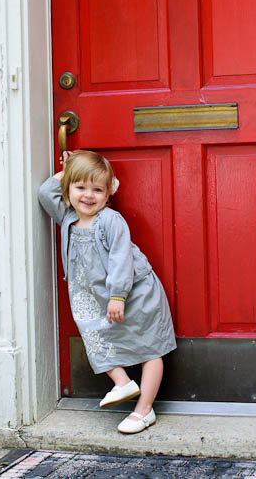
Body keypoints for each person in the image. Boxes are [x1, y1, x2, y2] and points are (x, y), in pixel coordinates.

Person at [38, 150, 177, 434]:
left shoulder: (110, 220)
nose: (88, 196)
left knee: (150, 348)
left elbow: (121, 258)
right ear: (68, 190)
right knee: (95, 337)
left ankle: (144, 410)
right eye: (80, 188)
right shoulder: (67, 216)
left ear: (108, 192)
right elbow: (45, 192)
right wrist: (70, 168)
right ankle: (123, 382)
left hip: (134, 292)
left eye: (97, 189)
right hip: (97, 299)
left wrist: (118, 295)